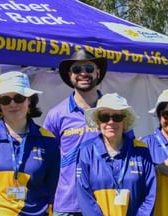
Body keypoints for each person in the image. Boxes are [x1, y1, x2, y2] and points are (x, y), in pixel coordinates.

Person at [0, 71, 60, 215]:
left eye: (19, 98)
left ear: (29, 100)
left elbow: (52, 186)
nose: (13, 104)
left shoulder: (47, 139)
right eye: (5, 100)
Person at [43, 49, 107, 215]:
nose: (83, 73)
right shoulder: (56, 115)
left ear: (98, 72)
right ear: (70, 75)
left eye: (89, 68)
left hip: (105, 202)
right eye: (77, 70)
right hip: (68, 205)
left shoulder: (114, 111)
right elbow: (46, 160)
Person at [76, 93, 156, 216]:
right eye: (104, 117)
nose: (111, 122)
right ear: (98, 122)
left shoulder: (141, 151)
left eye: (117, 117)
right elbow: (84, 196)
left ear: (125, 121)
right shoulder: (86, 152)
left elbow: (150, 193)